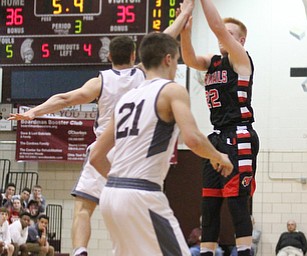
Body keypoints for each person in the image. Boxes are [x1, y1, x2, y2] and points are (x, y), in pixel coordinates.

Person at [89, 28, 233, 255]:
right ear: (168, 59)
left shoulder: (126, 98)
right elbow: (193, 139)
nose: (176, 66)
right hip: (142, 194)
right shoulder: (172, 90)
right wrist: (219, 156)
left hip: (111, 195)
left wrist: (123, 184)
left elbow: (96, 156)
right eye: (176, 60)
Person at [8, 35, 146, 256]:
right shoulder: (143, 75)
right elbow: (162, 40)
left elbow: (65, 99)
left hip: (104, 150)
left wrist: (33, 112)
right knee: (134, 211)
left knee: (83, 208)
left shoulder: (100, 81)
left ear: (109, 56)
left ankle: (80, 250)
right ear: (133, 55)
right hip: (134, 153)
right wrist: (184, 17)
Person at [179, 0, 260, 255]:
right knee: (210, 202)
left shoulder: (241, 59)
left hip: (240, 134)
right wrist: (185, 30)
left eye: (229, 33)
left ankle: (245, 251)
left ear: (241, 40)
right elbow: (189, 58)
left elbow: (217, 27)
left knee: (237, 202)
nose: (221, 37)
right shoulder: (213, 61)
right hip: (217, 137)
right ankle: (206, 252)